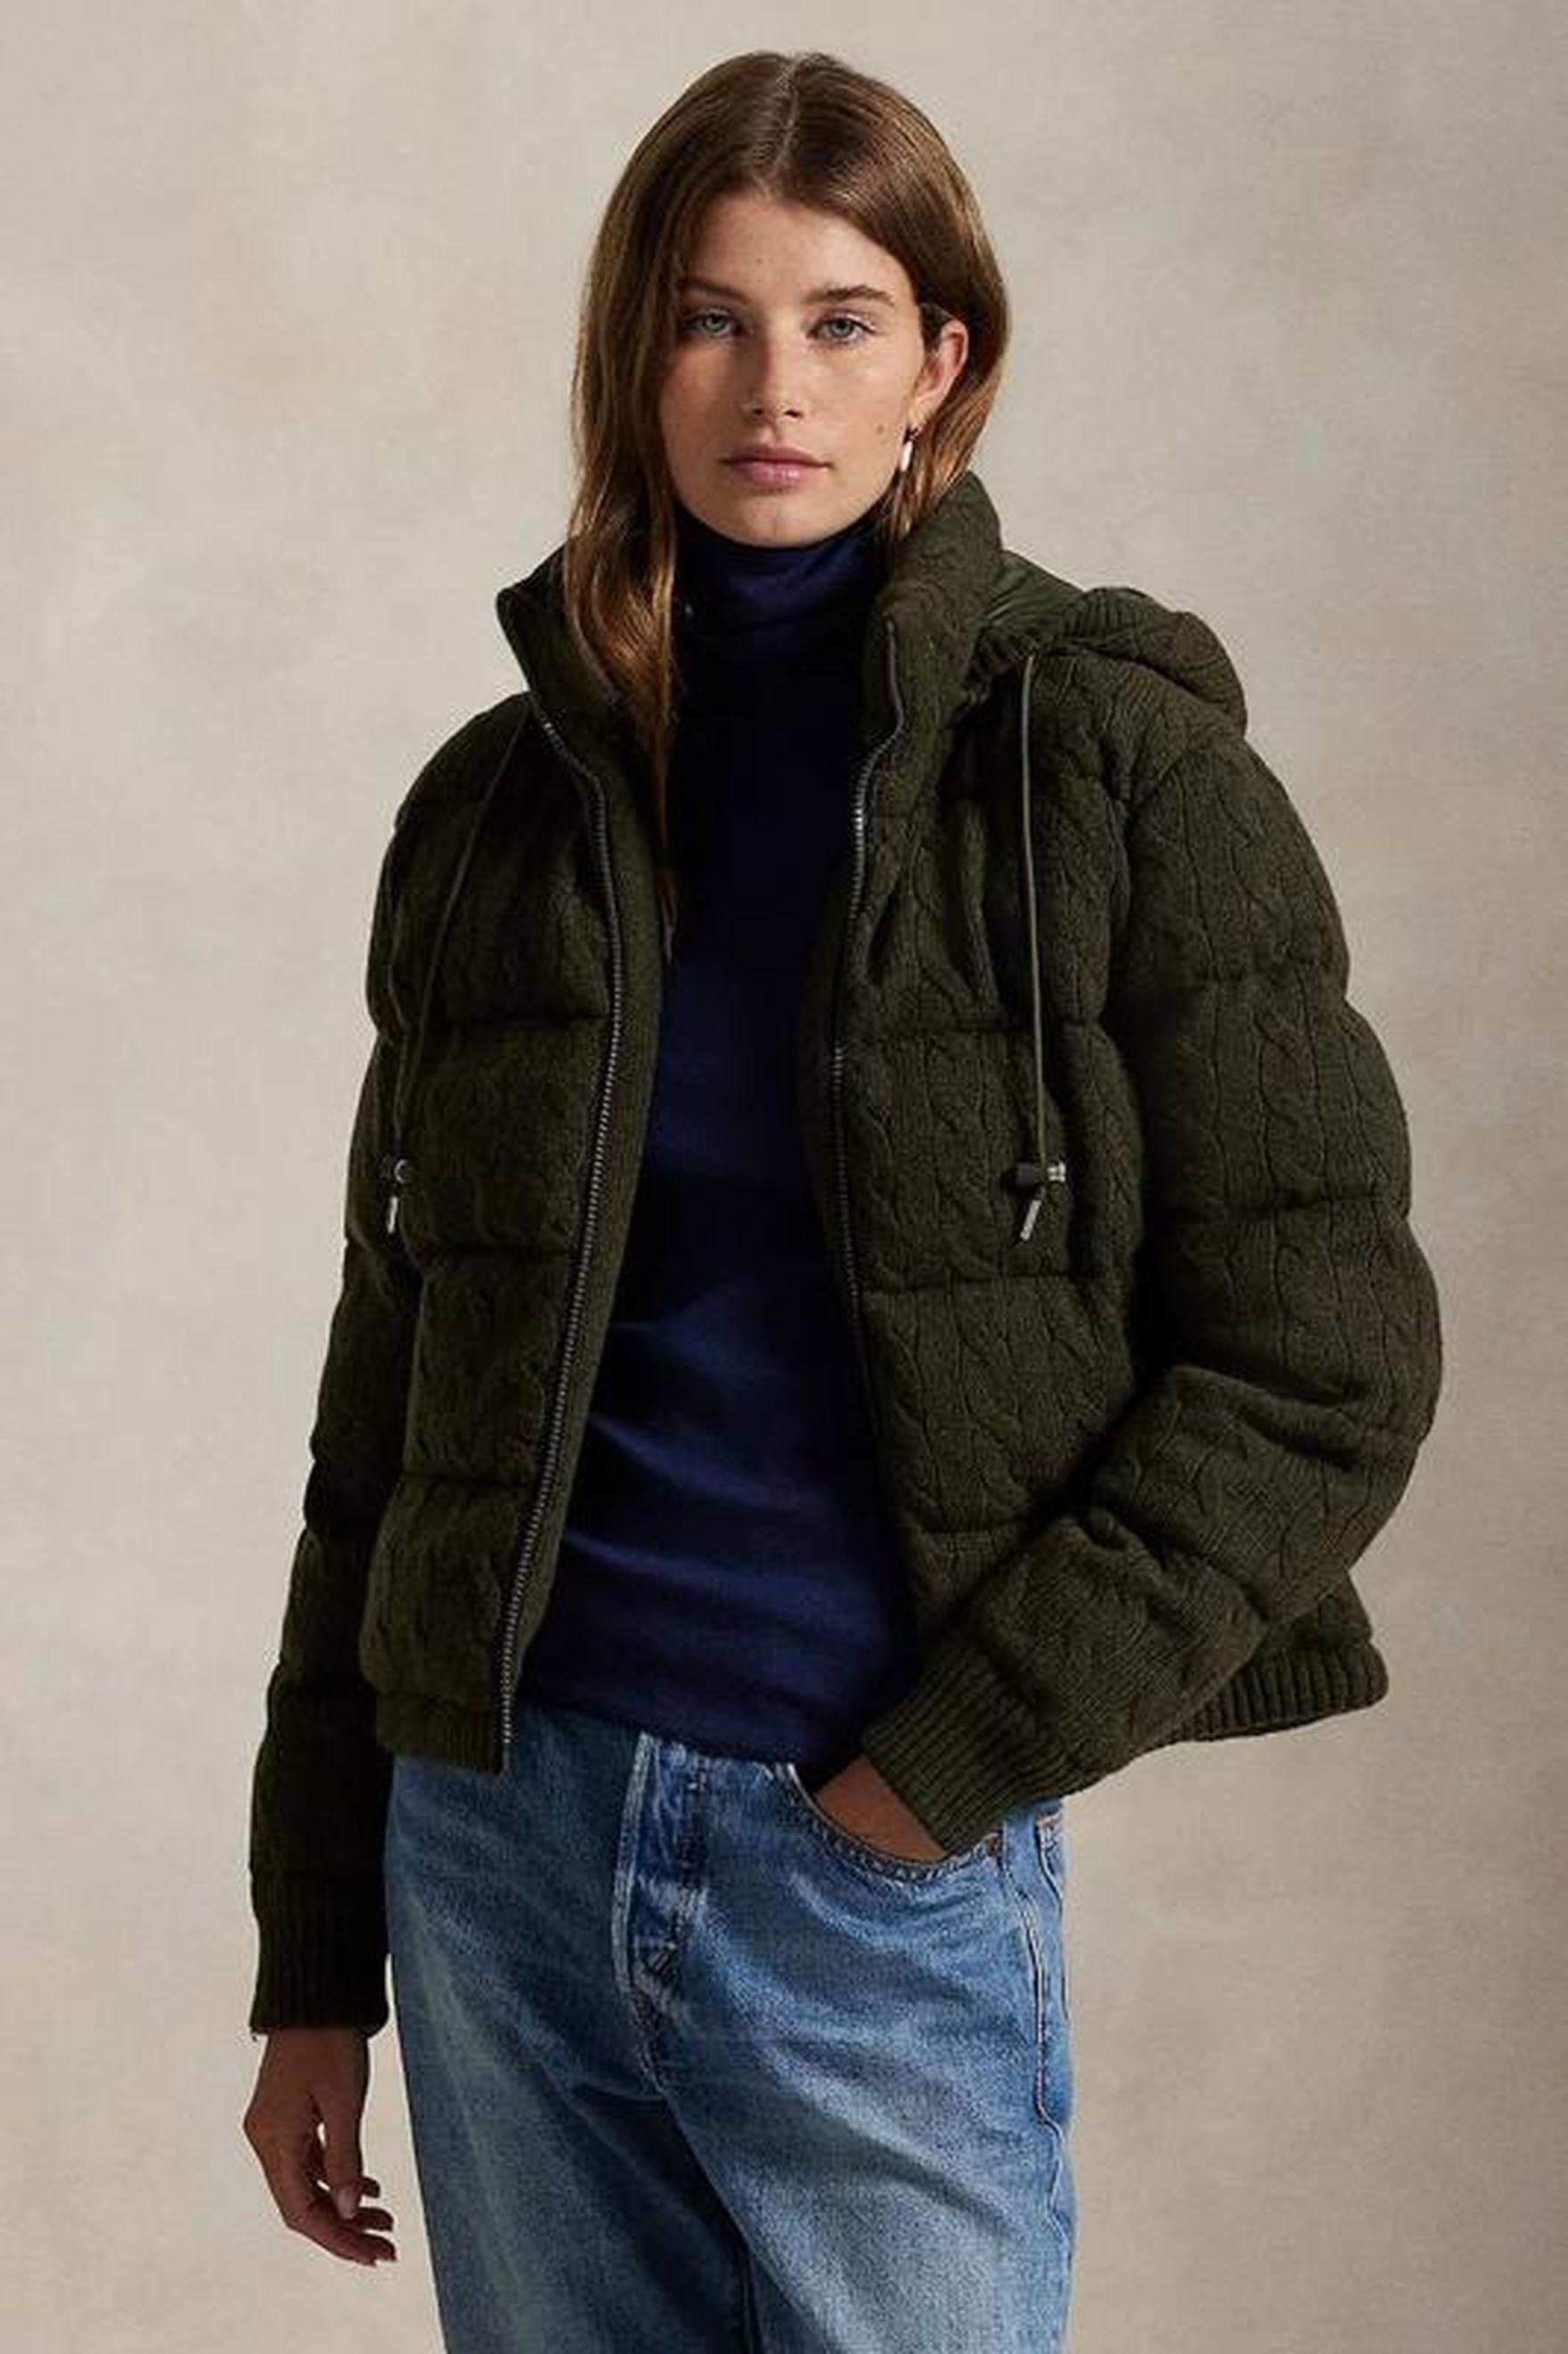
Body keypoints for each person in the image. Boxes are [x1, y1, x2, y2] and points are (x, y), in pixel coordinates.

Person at [240, 47, 1444, 2354]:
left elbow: (1327, 1362)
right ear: (636, 359)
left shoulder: (1113, 767)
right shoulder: (496, 816)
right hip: (492, 1852)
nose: (773, 385)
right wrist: (316, 1947)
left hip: (865, 1870)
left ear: (941, 366)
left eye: (843, 319)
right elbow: (385, 1412)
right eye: (711, 319)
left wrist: (939, 1771)